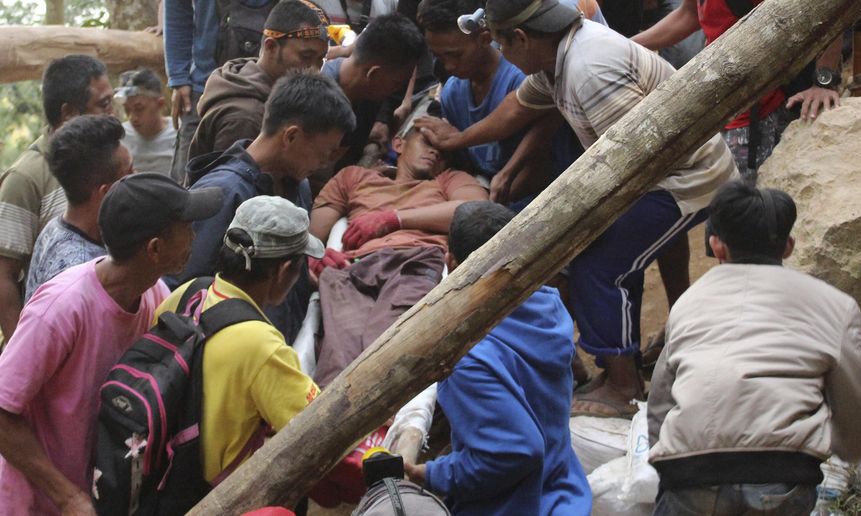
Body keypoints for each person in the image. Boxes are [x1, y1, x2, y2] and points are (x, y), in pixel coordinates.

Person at [415, 0, 738, 418]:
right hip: (660, 173)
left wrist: (576, 224)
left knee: (598, 267)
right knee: (603, 257)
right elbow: (516, 108)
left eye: (500, 43)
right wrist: (457, 141)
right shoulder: (557, 55)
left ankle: (623, 387)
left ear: (522, 38)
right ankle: (624, 362)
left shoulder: (589, 69)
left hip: (681, 179)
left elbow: (634, 163)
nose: (503, 55)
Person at [647, 181, 861, 515]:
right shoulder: (834, 305)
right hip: (781, 476)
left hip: (690, 478)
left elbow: (659, 401)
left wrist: (669, 462)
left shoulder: (689, 303)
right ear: (788, 246)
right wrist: (849, 449)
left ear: (717, 246)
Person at [0, 173, 222, 515]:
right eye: (186, 228)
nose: (194, 237)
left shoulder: (154, 295)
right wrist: (66, 496)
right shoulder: (61, 308)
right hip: (38, 504)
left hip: (102, 498)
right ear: (155, 248)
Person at [404, 201, 592, 515]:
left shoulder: (466, 356)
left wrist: (433, 474)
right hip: (563, 495)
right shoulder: (548, 305)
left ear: (451, 262)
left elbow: (514, 452)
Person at [175, 71, 355, 343]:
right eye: (324, 152)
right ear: (291, 136)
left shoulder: (298, 185)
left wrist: (303, 271)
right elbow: (185, 292)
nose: (325, 163)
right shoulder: (223, 194)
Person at [155, 196, 322, 488]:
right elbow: (320, 426)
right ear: (284, 270)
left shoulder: (187, 293)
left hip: (159, 479)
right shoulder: (263, 345)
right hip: (211, 497)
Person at [308, 119, 488, 388]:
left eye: (445, 151)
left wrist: (394, 218)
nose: (436, 152)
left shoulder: (449, 179)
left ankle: (383, 415)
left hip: (416, 260)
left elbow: (475, 211)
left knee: (389, 342)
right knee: (339, 349)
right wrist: (314, 258)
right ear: (398, 143)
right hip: (353, 269)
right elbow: (312, 237)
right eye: (428, 142)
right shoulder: (353, 177)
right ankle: (338, 425)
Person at [632, 0, 843, 182]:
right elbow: (689, 15)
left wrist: (824, 81)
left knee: (746, 211)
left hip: (762, 112)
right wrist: (627, 46)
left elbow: (827, 8)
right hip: (722, 107)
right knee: (724, 211)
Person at [417, 0, 584, 206]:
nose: (448, 65)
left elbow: (540, 168)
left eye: (455, 55)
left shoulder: (523, 76)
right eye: (438, 57)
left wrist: (489, 207)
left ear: (485, 38)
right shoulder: (452, 92)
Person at [0, 55, 115, 343]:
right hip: (54, 341)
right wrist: (24, 354)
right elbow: (3, 277)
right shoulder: (26, 178)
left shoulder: (112, 160)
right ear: (68, 113)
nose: (114, 114)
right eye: (103, 105)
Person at [188, 0, 330, 160]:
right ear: (271, 47)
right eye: (306, 57)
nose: (315, 70)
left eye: (321, 59)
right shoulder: (246, 119)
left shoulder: (266, 90)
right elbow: (228, 183)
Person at [163, 0, 278, 183]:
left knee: (261, 181)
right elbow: (178, 8)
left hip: (267, 88)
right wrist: (179, 76)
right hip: (203, 90)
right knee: (185, 185)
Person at [25, 115, 134, 302]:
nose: (137, 177)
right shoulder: (80, 272)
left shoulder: (57, 226)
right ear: (106, 192)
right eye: (130, 172)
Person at [320, 13, 427, 175]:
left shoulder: (369, 95)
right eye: (396, 84)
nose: (396, 91)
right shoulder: (317, 98)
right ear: (373, 74)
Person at [117, 68, 177, 175]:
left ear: (160, 104)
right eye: (127, 109)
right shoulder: (120, 137)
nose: (132, 117)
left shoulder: (179, 132)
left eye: (139, 109)